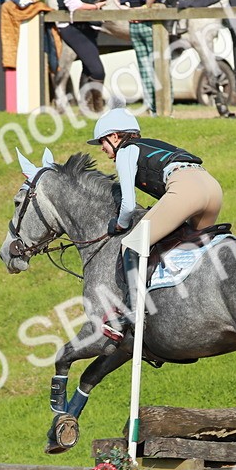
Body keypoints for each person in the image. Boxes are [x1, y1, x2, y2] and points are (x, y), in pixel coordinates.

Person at [87, 108, 224, 338]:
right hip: (212, 187)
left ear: (114, 137)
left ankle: (132, 312)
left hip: (186, 188)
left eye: (102, 141)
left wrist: (120, 225)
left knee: (131, 244)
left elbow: (128, 205)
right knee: (188, 245)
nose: (102, 148)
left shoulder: (126, 151)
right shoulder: (150, 145)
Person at [56, 0, 108, 112]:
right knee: (97, 71)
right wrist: (95, 7)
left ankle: (87, 110)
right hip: (74, 27)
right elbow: (73, 4)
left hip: (84, 27)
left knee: (88, 69)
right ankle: (96, 110)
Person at [119, 0, 165, 115]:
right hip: (149, 22)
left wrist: (128, 10)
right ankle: (163, 106)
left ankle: (151, 107)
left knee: (144, 67)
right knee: (159, 63)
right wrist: (146, 8)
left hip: (133, 22)